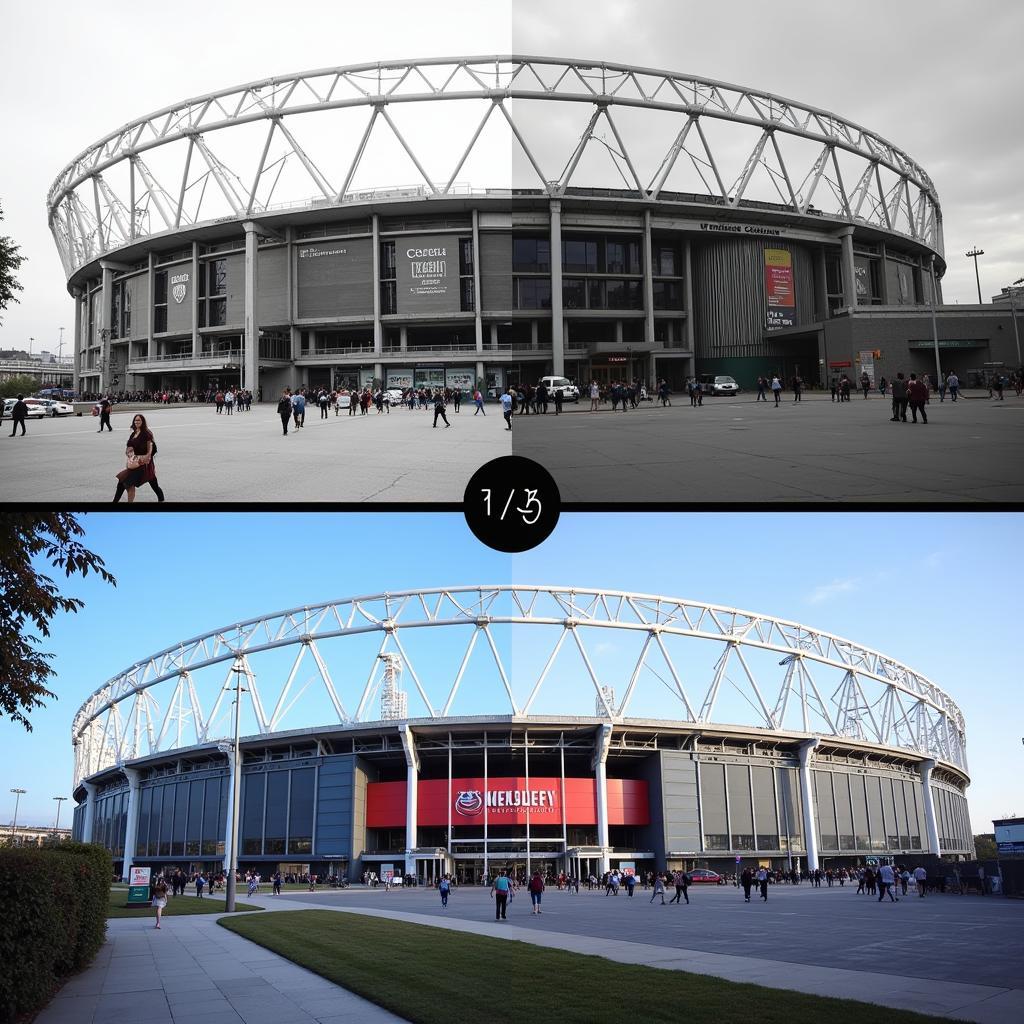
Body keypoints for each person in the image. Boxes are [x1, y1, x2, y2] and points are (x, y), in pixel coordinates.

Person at [113, 414, 161, 503]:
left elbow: (151, 449)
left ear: (142, 422)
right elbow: (129, 446)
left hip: (144, 464)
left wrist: (146, 457)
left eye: (139, 420)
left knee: (153, 484)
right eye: (135, 420)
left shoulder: (147, 434)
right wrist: (128, 452)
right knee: (122, 481)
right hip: (135, 462)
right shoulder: (133, 434)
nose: (137, 422)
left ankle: (161, 498)